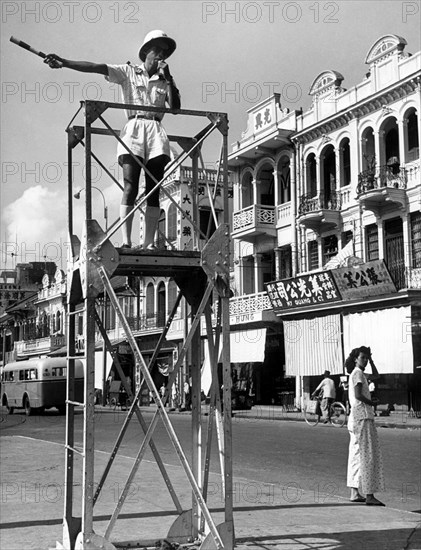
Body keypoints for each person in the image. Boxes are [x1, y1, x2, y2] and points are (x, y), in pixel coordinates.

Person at [44, 30, 181, 249]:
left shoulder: (165, 80)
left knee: (154, 188)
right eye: (157, 49)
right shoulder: (128, 71)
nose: (161, 55)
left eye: (165, 52)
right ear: (146, 51)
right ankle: (126, 241)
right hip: (134, 128)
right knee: (131, 185)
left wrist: (170, 77)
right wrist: (64, 62)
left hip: (156, 129)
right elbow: (97, 67)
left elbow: (175, 109)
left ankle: (148, 244)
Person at [345, 346, 385, 506]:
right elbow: (358, 395)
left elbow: (376, 375)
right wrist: (372, 402)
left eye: (367, 358)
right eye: (363, 357)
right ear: (356, 358)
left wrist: (372, 360)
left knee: (356, 455)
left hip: (356, 418)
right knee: (368, 455)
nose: (365, 360)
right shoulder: (358, 373)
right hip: (362, 417)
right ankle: (369, 494)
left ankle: (354, 492)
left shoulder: (359, 373)